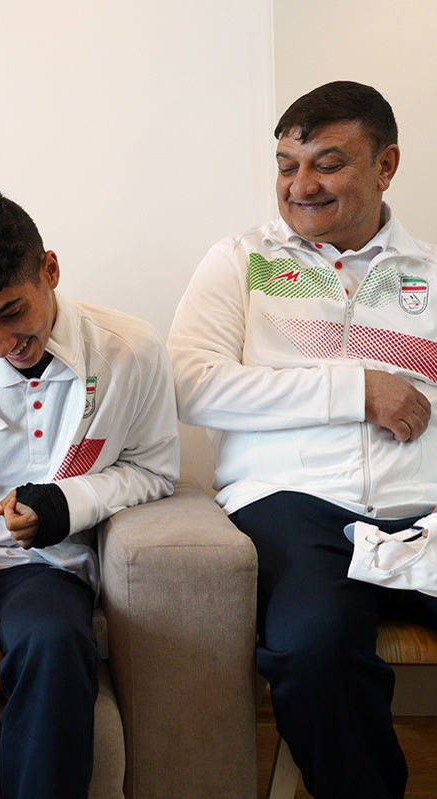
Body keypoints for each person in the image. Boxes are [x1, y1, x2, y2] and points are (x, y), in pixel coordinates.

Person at [168, 81, 437, 799]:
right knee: (313, 646)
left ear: (386, 166)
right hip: (292, 503)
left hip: (425, 508)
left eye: (328, 163)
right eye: (287, 165)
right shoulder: (245, 260)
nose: (301, 185)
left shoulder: (431, 272)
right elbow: (191, 384)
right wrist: (357, 391)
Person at [0, 182, 179, 799]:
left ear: (50, 270)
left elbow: (156, 471)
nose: (0, 344)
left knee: (55, 642)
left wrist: (66, 505)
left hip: (40, 572)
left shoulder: (130, 352)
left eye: (10, 314)